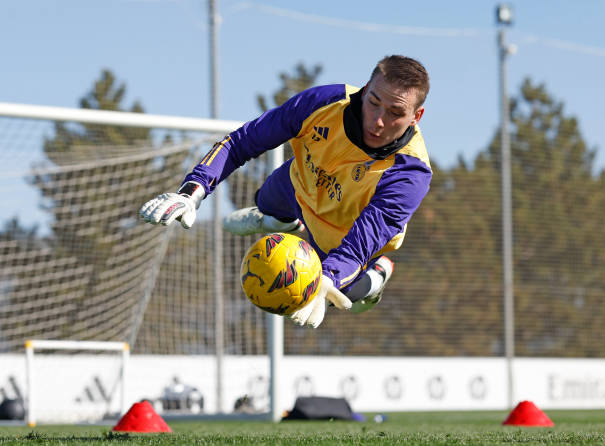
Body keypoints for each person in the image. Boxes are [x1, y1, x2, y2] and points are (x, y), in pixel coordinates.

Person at [140, 55, 432, 329]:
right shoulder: (324, 102)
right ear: (366, 89)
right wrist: (192, 190)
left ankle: (378, 272)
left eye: (396, 113)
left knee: (344, 298)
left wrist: (327, 277)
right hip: (296, 185)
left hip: (341, 233)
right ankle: (278, 220)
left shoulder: (410, 172)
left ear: (416, 116)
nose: (379, 120)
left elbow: (358, 244)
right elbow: (241, 142)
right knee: (264, 200)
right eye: (374, 102)